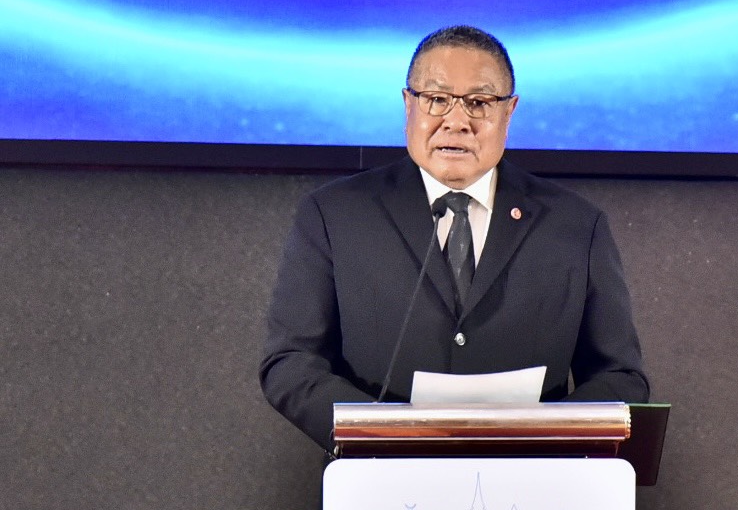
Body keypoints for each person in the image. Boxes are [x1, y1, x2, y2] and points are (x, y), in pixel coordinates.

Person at [260, 25, 649, 456]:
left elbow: (621, 377)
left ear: (509, 112)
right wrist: (377, 437)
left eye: (479, 103)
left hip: (532, 482)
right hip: (376, 479)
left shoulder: (576, 226)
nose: (457, 121)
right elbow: (289, 363)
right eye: (437, 99)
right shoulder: (334, 215)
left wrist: (544, 441)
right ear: (408, 104)